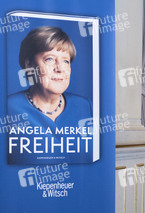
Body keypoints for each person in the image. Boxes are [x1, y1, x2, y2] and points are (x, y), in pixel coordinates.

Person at [8, 26, 92, 164]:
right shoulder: (7, 109)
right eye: (50, 59)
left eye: (66, 61)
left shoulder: (85, 106)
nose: (59, 68)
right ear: (29, 64)